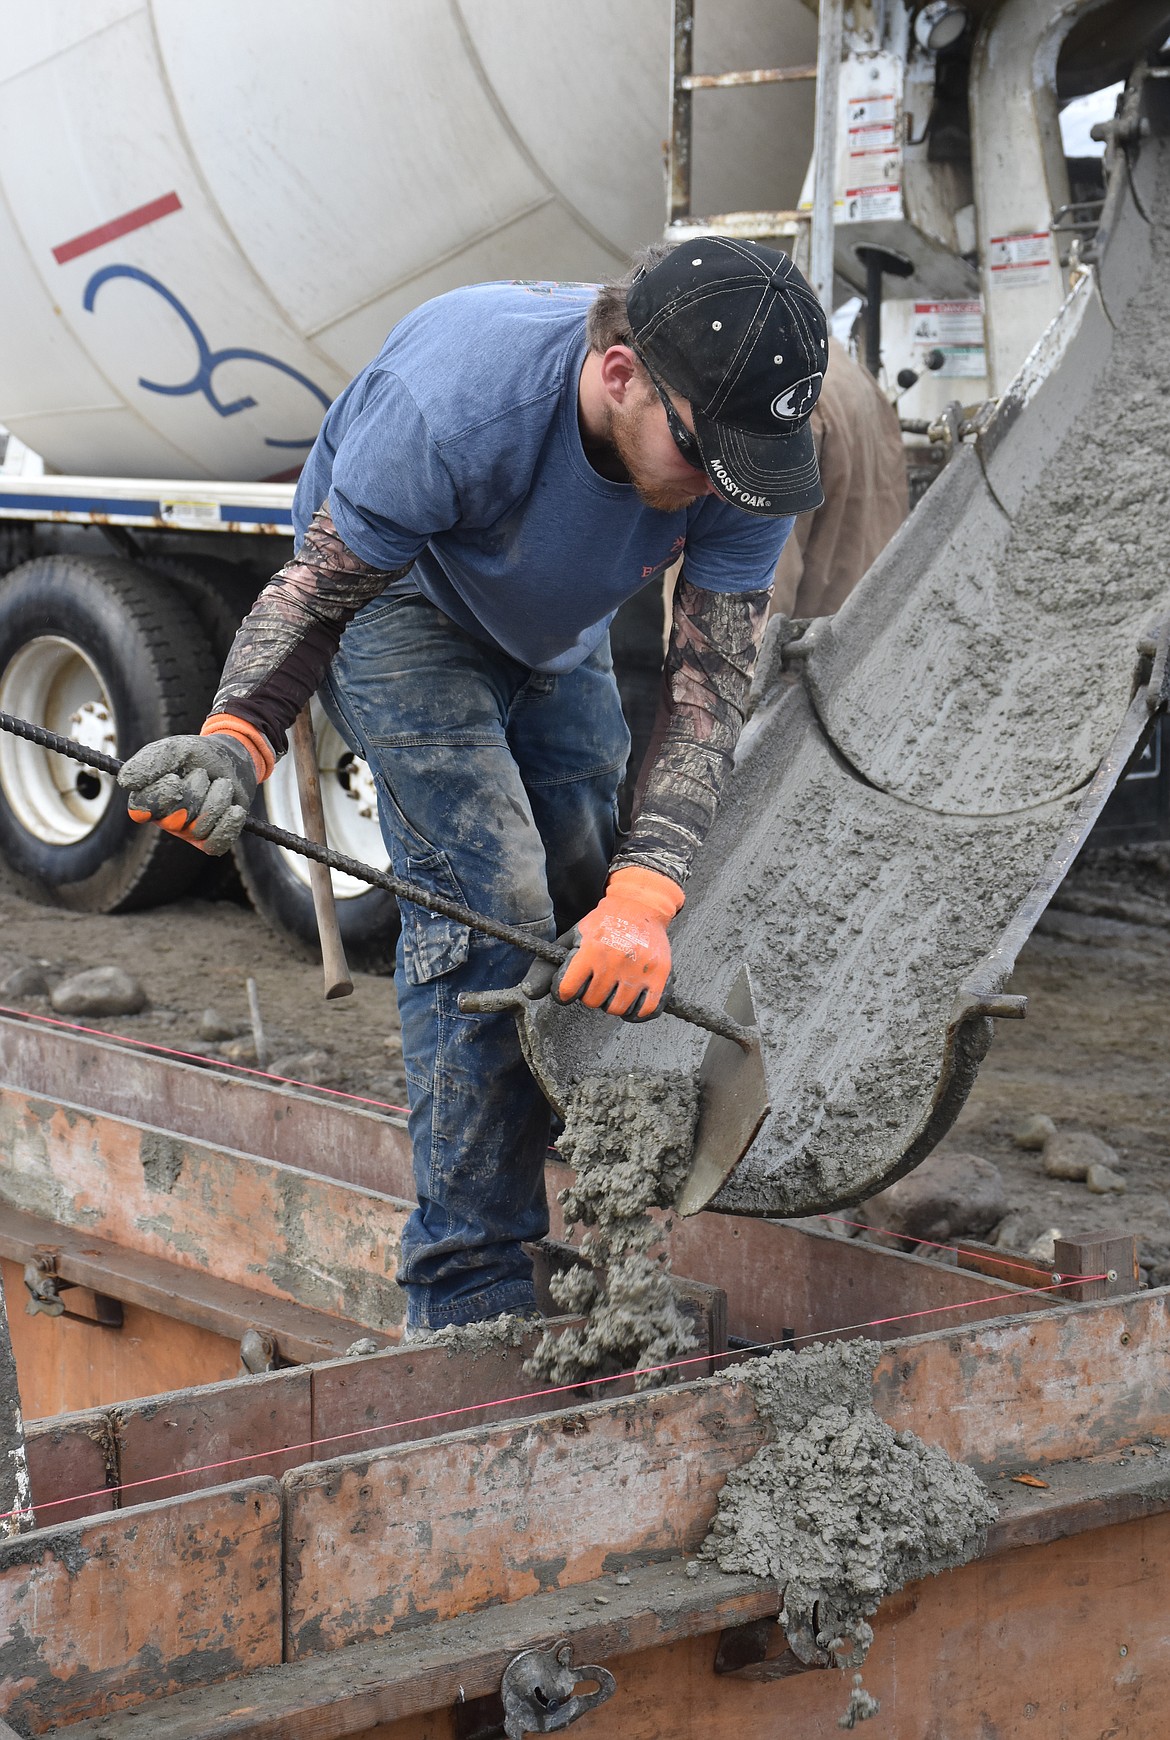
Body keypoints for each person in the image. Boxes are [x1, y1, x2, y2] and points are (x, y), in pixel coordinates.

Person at [118, 238, 828, 1334]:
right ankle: (467, 1288)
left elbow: (708, 688)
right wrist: (232, 743)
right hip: (407, 602)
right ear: (620, 371)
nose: (716, 489)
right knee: (492, 916)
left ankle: (587, 1175)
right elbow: (315, 597)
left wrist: (647, 894)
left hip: (556, 622)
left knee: (595, 890)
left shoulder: (741, 441)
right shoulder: (455, 405)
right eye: (696, 454)